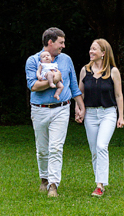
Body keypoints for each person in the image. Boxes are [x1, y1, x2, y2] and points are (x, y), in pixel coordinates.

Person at [26, 27, 83, 197]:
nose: (63, 46)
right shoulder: (33, 61)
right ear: (50, 42)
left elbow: (73, 85)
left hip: (61, 109)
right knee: (42, 149)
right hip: (39, 110)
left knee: (56, 148)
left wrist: (80, 106)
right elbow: (33, 86)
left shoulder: (66, 60)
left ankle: (53, 185)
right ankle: (44, 179)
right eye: (61, 42)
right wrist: (55, 79)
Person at [75, 38, 124, 197]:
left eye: (94, 49)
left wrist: (121, 116)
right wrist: (79, 110)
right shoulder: (85, 70)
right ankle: (99, 182)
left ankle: (100, 185)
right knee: (94, 150)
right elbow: (79, 93)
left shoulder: (113, 71)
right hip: (90, 114)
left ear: (103, 53)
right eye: (90, 49)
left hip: (108, 113)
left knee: (102, 146)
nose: (91, 52)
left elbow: (118, 95)